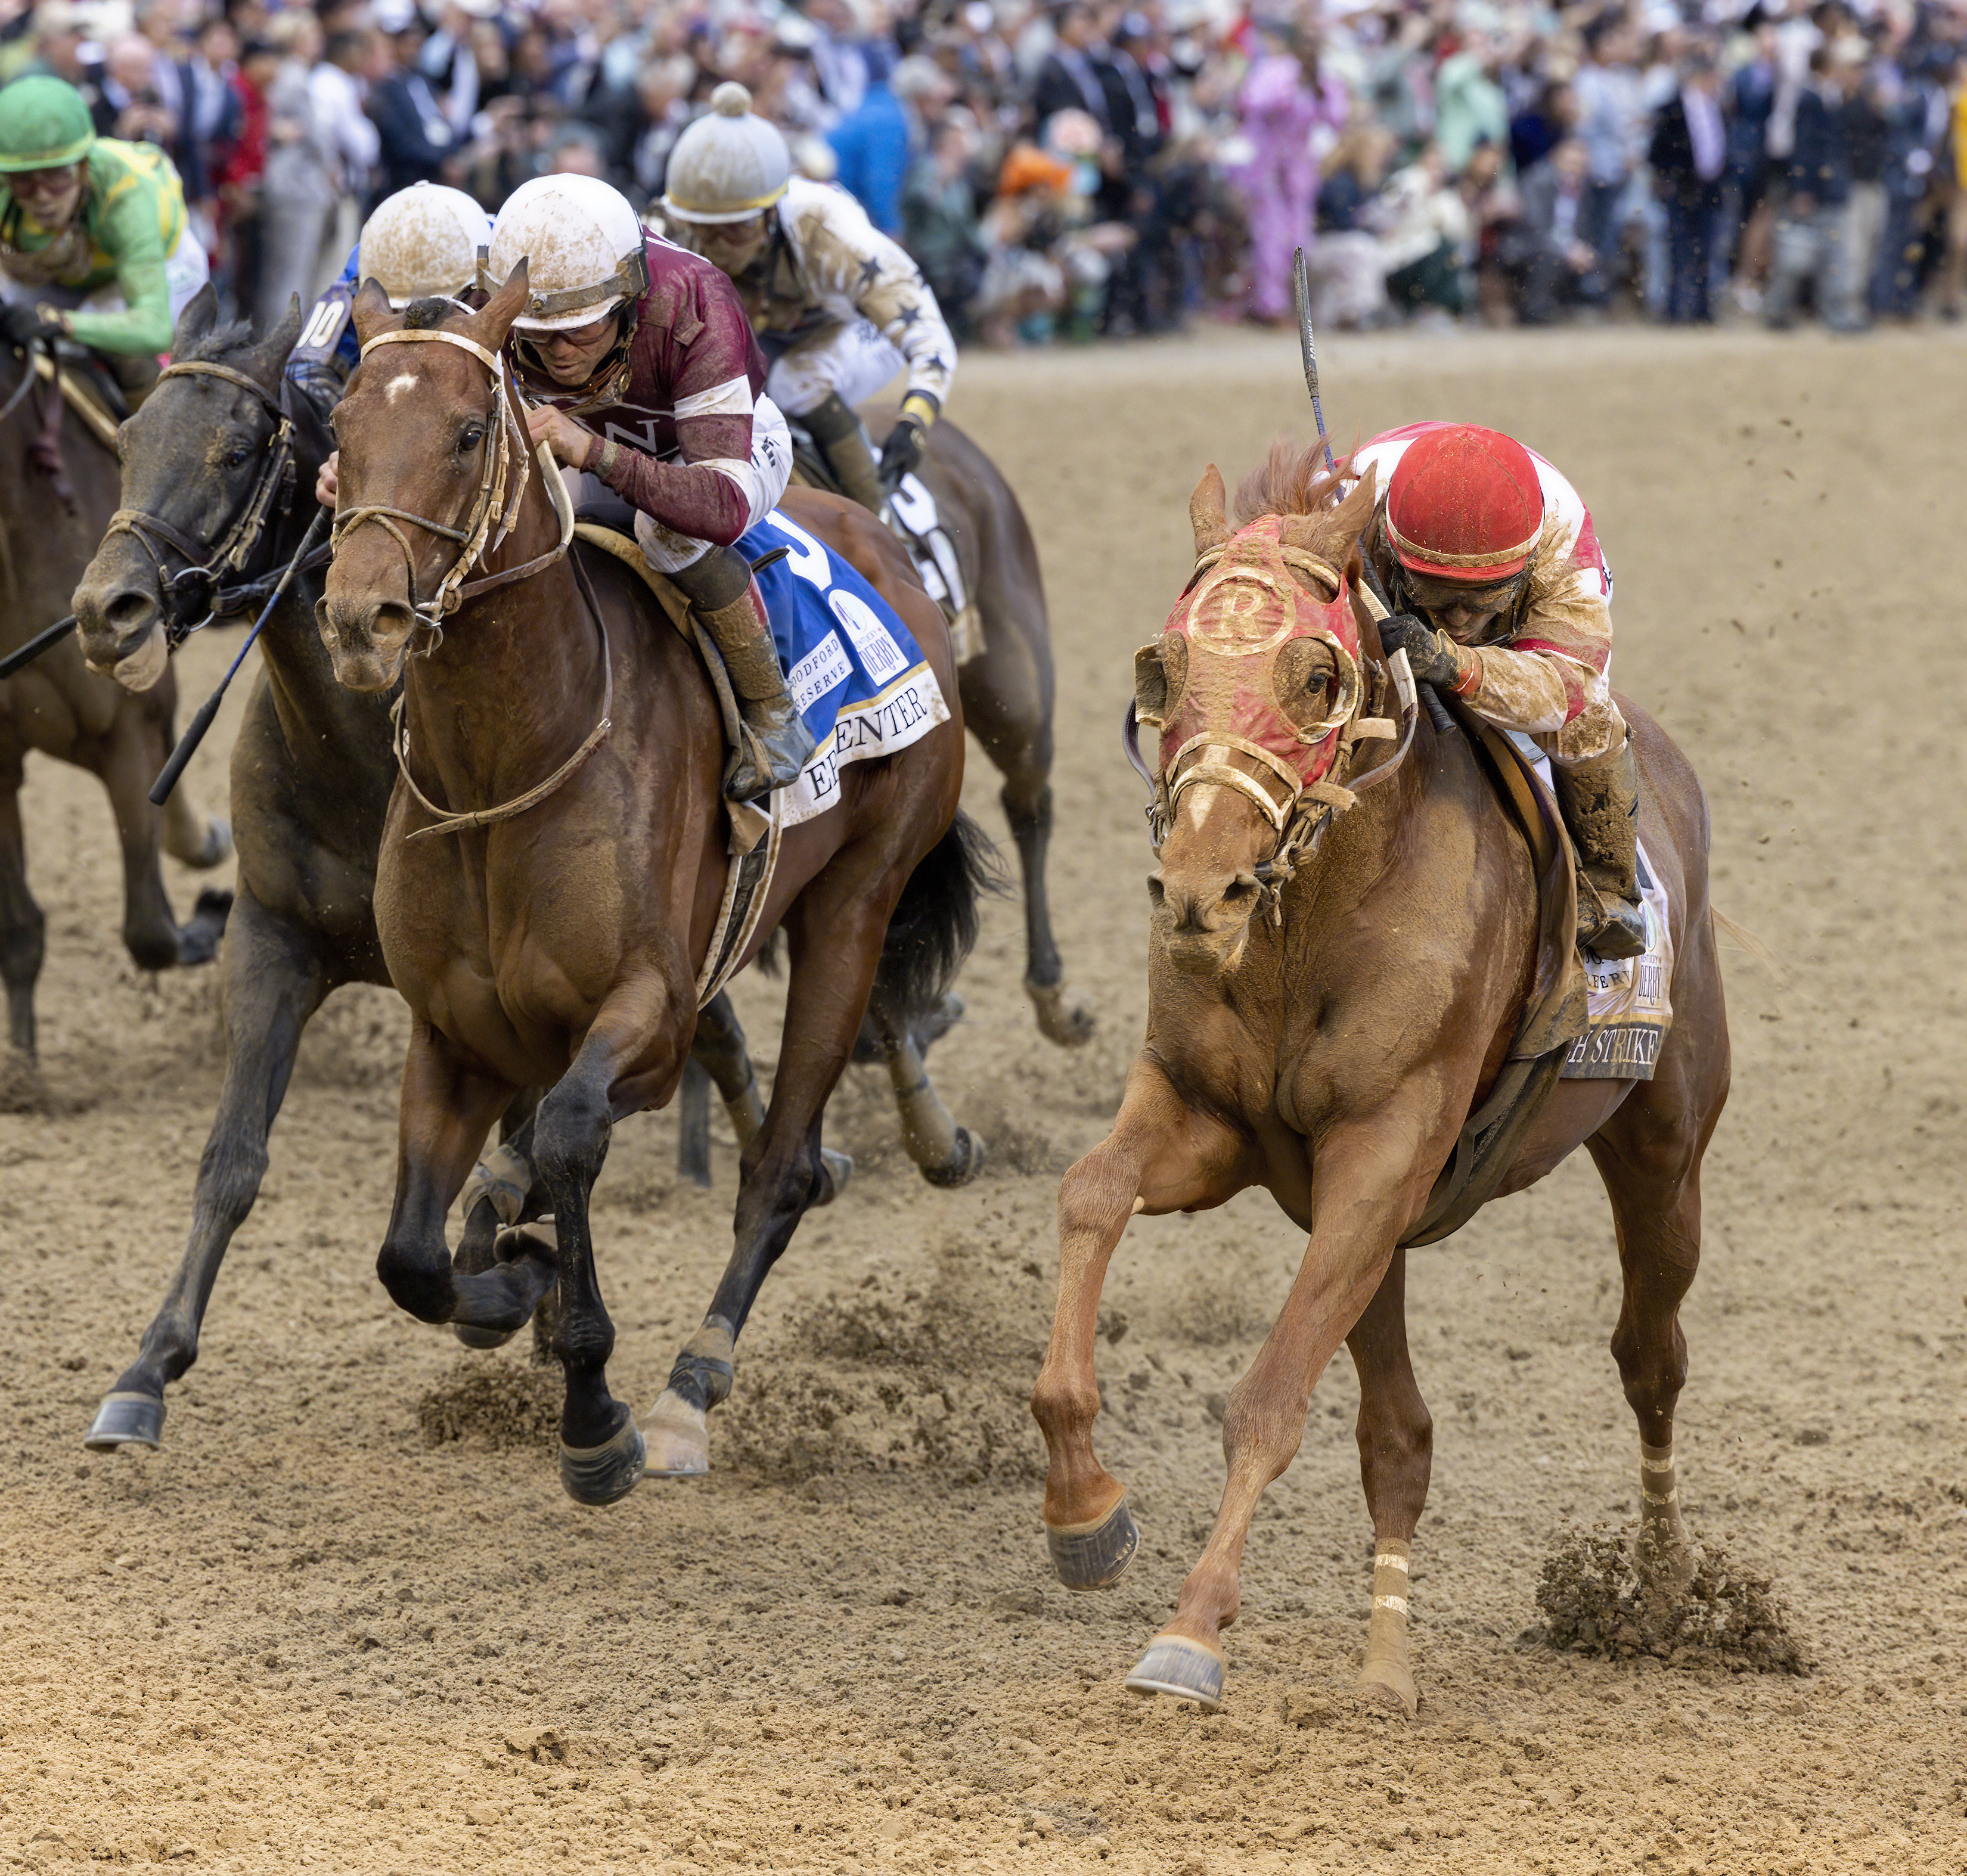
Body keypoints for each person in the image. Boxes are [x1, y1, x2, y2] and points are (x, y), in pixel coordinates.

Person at [485, 173, 810, 802]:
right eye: (537, 331)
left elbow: (721, 506)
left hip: (728, 446)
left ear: (630, 296)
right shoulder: (494, 302)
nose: (557, 353)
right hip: (592, 438)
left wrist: (597, 452)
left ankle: (773, 714)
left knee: (666, 532)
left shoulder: (695, 298)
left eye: (581, 328)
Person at [1355, 423, 1648, 959]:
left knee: (1589, 724)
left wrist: (1454, 662)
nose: (1461, 616)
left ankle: (1610, 885)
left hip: (1536, 646)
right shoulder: (1352, 492)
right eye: (1437, 594)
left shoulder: (1564, 545)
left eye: (1482, 598)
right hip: (1383, 533)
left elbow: (1567, 689)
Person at [659, 82, 953, 520]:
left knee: (797, 379)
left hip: (851, 330)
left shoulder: (830, 233)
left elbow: (929, 334)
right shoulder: (667, 221)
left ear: (772, 211)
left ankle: (882, 523)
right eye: (703, 231)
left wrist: (914, 422)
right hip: (762, 335)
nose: (717, 248)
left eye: (736, 230)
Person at [0, 73, 208, 403]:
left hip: (163, 269)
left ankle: (150, 440)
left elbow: (154, 329)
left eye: (56, 176)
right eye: (23, 181)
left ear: (84, 164)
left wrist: (61, 323)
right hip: (68, 270)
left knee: (104, 343)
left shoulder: (126, 195)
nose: (41, 196)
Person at [288, 179, 489, 418]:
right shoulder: (368, 264)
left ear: (479, 288)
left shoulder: (512, 253)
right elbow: (303, 378)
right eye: (396, 313)